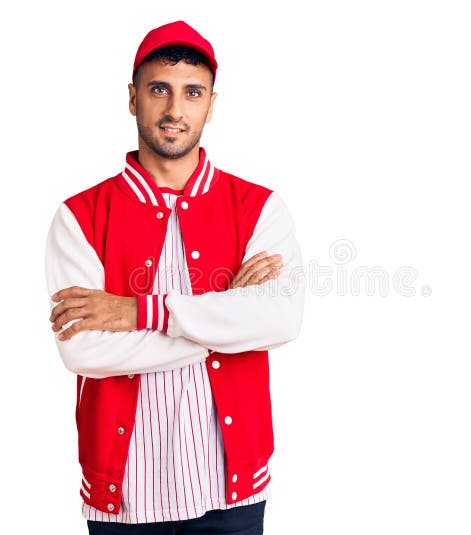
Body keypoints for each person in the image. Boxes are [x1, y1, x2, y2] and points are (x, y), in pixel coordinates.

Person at [44, 20, 305, 534]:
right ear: (132, 97)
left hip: (231, 489)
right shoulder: (80, 216)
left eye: (192, 93)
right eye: (158, 89)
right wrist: (226, 315)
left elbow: (281, 321)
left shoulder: (259, 209)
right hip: (124, 497)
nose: (174, 110)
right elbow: (85, 351)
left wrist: (140, 312)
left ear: (211, 103)